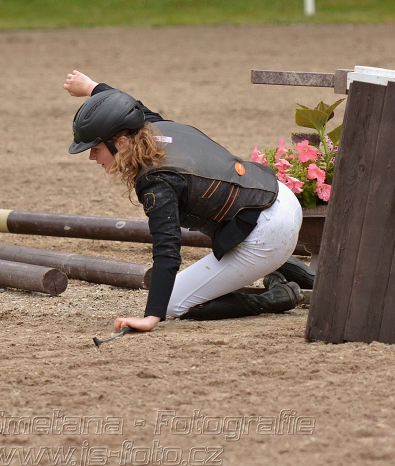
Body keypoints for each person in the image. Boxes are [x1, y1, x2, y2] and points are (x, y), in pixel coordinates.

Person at [64, 70, 308, 334]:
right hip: (280, 197)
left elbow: (167, 248)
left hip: (267, 233)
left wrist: (151, 316)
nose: (92, 157)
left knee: (174, 303)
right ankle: (296, 271)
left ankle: (275, 298)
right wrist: (91, 87)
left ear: (120, 143)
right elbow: (125, 104)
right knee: (231, 237)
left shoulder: (156, 181)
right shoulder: (153, 127)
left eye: (95, 149)